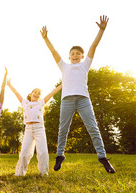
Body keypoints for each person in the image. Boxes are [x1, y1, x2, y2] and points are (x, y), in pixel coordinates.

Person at [41, 15, 115, 173]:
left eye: (78, 54)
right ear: (69, 57)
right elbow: (53, 51)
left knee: (93, 128)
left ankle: (102, 157)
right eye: (72, 54)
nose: (75, 56)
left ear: (82, 57)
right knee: (63, 129)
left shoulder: (85, 65)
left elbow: (93, 46)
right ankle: (60, 155)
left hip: (83, 100)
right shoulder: (64, 66)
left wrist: (101, 31)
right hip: (67, 100)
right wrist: (46, 39)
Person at [7, 79, 62, 176]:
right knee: (24, 152)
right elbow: (16, 93)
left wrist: (62, 84)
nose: (36, 94)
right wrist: (9, 84)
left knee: (43, 151)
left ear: (40, 97)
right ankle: (19, 173)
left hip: (39, 128)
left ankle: (44, 173)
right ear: (30, 94)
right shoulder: (25, 103)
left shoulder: (41, 103)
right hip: (28, 129)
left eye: (38, 93)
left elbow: (52, 92)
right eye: (35, 92)